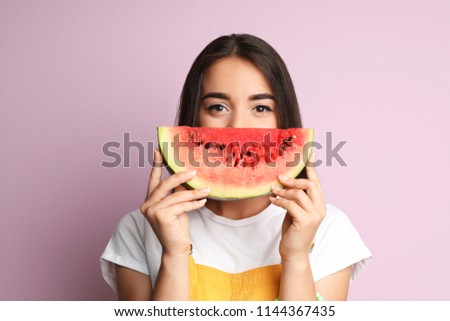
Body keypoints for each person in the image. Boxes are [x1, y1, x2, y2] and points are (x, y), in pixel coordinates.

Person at [100, 33, 371, 301]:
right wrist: (174, 255)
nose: (238, 126)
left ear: (284, 119)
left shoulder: (327, 228)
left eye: (261, 108)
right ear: (194, 119)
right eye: (217, 107)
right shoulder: (138, 228)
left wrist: (297, 258)